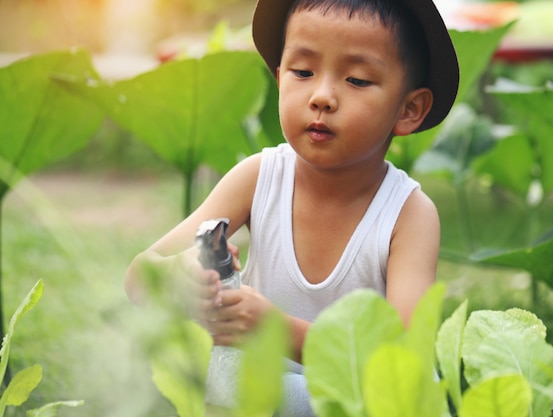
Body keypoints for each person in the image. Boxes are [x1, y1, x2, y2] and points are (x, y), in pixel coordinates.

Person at [125, 0, 458, 414]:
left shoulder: (408, 215)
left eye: (356, 79)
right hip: (256, 390)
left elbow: (402, 360)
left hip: (351, 401)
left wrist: (279, 332)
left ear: (408, 110)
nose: (321, 96)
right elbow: (140, 275)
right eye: (303, 72)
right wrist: (183, 276)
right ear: (280, 78)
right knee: (200, 368)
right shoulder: (259, 177)